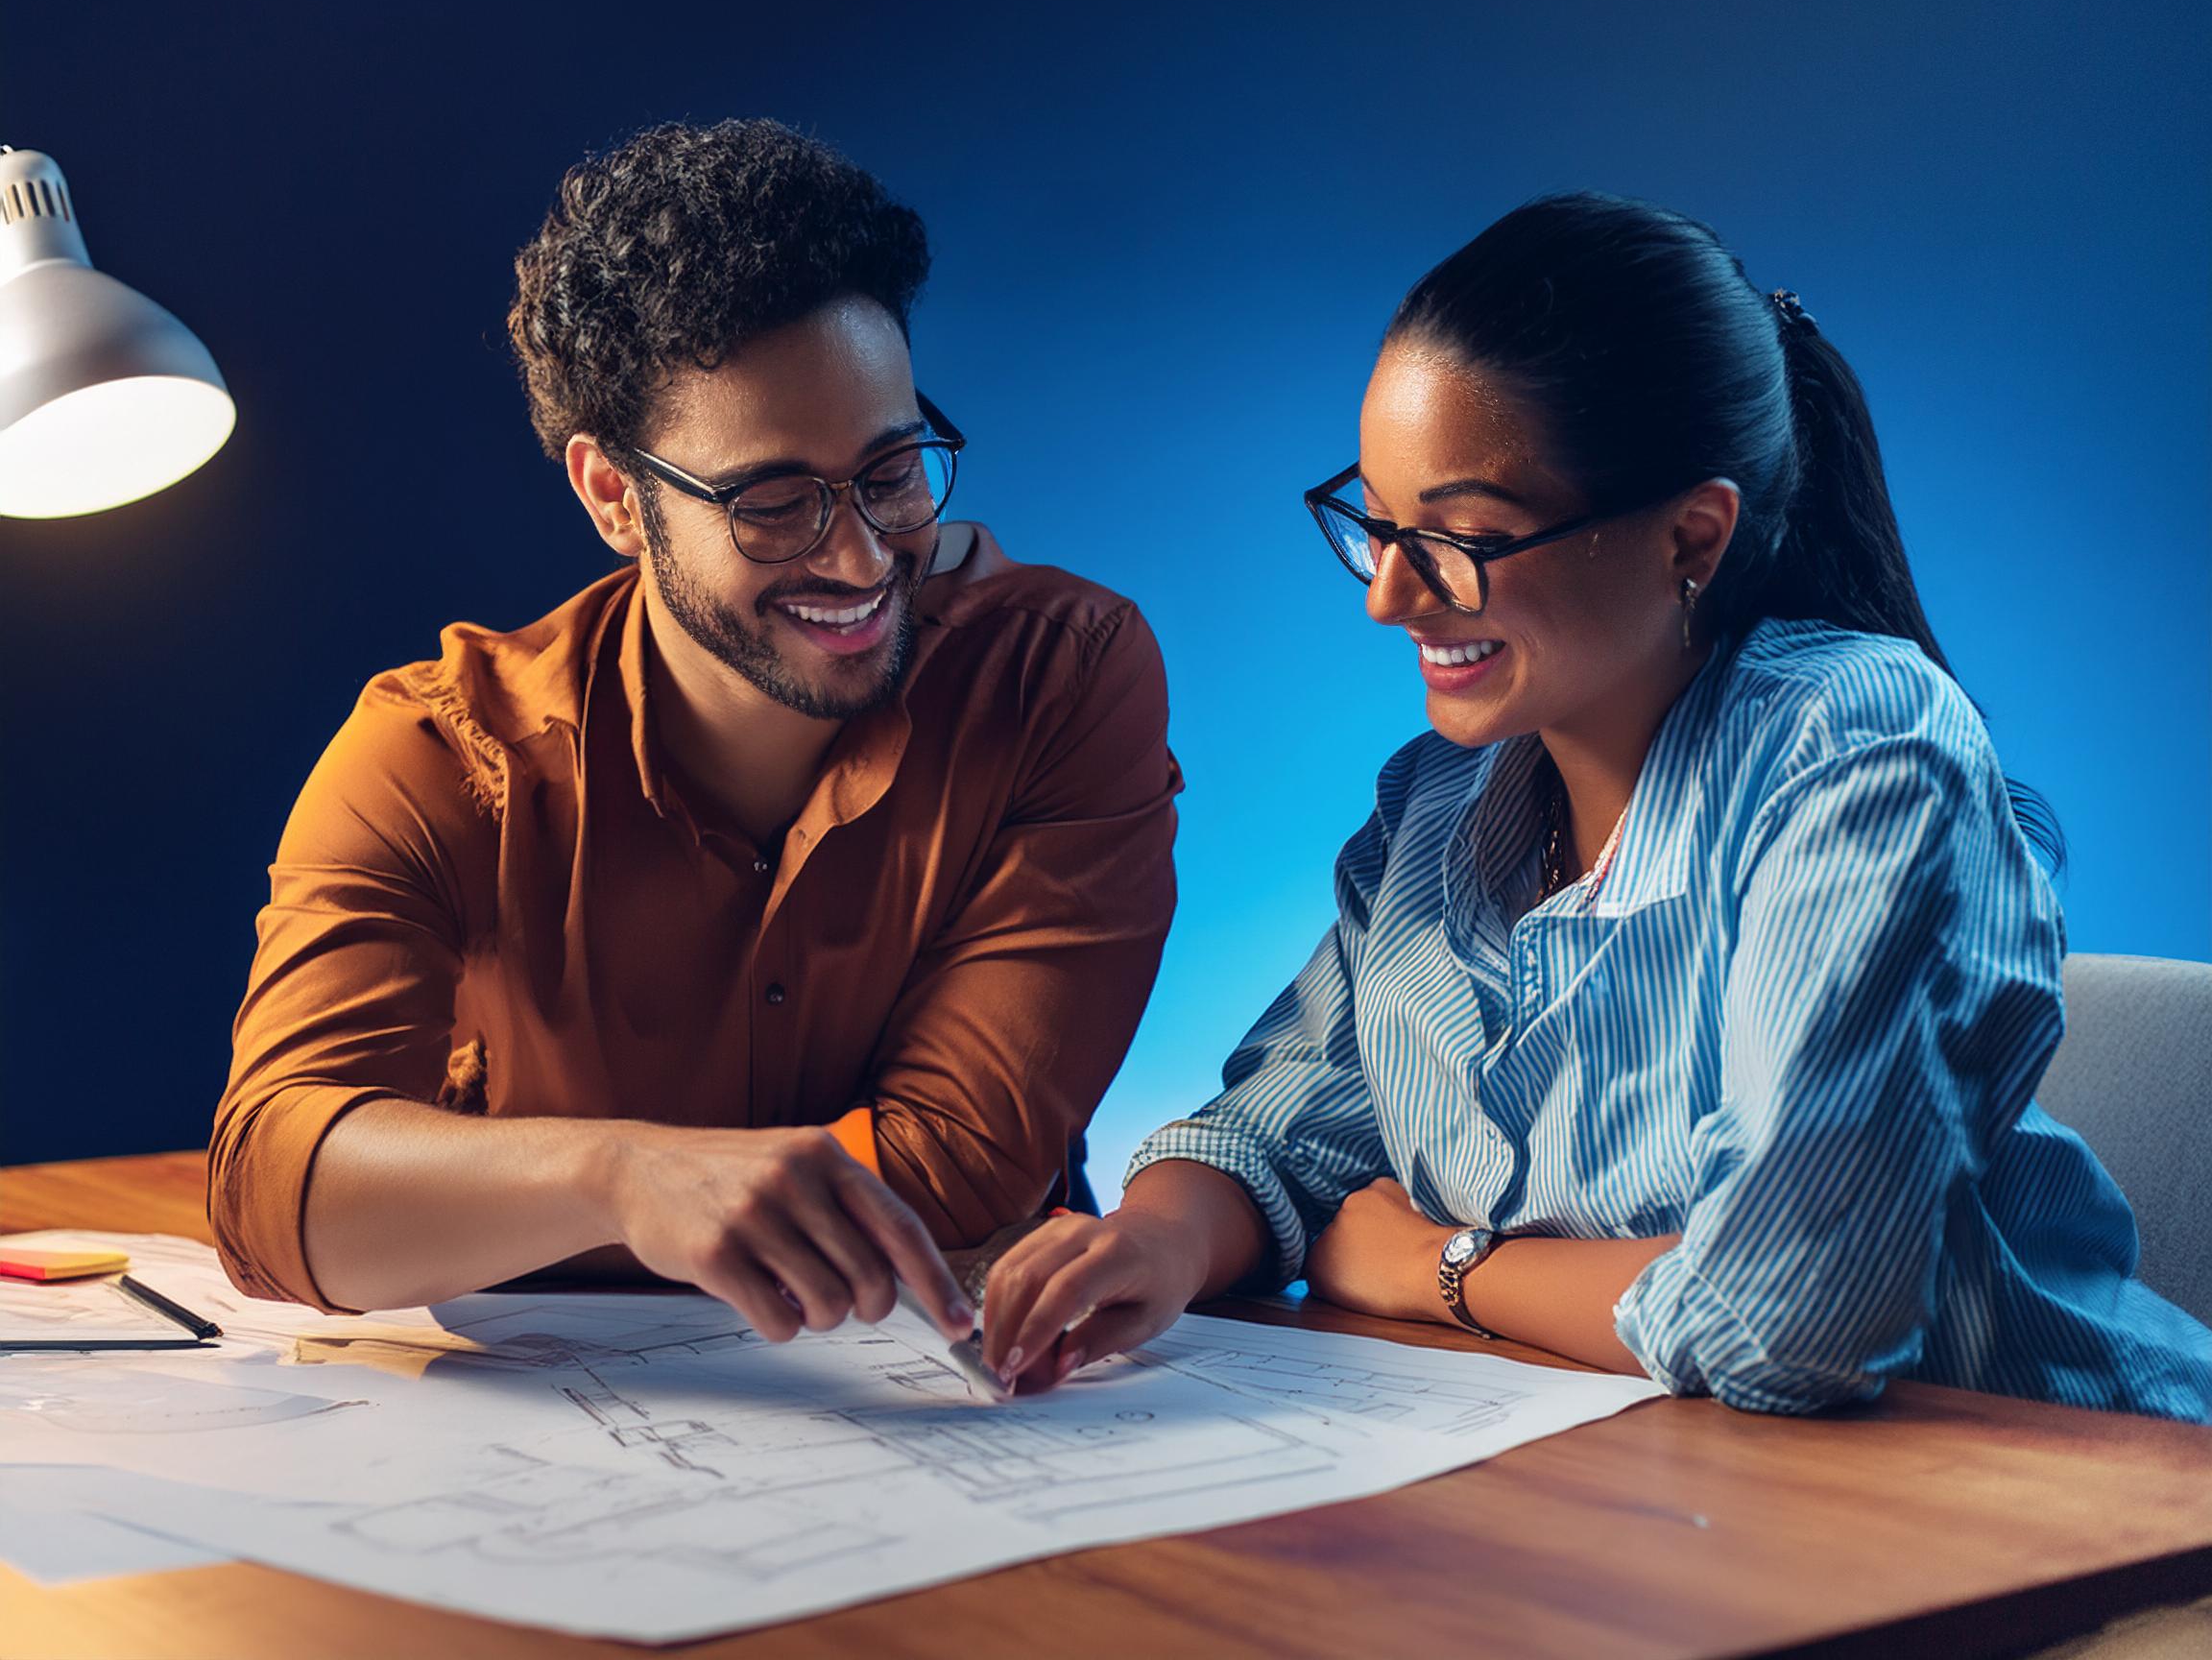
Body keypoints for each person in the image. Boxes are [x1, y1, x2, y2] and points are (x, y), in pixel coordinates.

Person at [980, 193, 2212, 1419]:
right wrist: (1159, 1243)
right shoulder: (1435, 806)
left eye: (1462, 537)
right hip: (1686, 1495)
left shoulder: (1858, 749)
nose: (1390, 599)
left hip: (2066, 1499)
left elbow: (1789, 1313)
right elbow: (1283, 1131)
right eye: (1379, 524)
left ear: (1690, 534)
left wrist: (1441, 1270)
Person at [209, 121, 1180, 1344]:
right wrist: (622, 1176)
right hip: (556, 1441)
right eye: (774, 503)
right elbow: (268, 1186)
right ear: (613, 494)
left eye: (890, 471)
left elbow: (959, 1168)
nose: (862, 554)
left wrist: (464, 1198)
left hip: (960, 1415)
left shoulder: (1061, 675)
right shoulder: (436, 754)